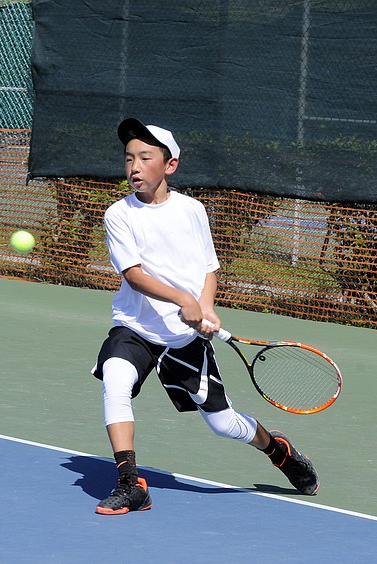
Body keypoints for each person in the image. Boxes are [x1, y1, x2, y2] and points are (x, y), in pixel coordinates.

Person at [91, 118, 319, 515]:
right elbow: (134, 274)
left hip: (184, 339)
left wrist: (205, 305)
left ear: (170, 165)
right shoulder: (119, 215)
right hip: (136, 329)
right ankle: (131, 484)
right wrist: (183, 299)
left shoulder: (192, 210)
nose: (135, 167)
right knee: (115, 379)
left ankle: (276, 449)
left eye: (146, 157)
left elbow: (209, 270)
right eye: (129, 158)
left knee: (223, 424)